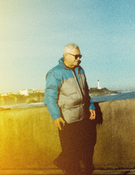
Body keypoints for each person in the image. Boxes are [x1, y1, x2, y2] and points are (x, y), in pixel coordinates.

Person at [44, 43, 96, 175]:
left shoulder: (80, 70)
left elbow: (85, 91)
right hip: (66, 119)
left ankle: (65, 163)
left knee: (83, 147)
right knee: (71, 152)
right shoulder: (55, 73)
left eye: (80, 56)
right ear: (66, 55)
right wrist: (56, 116)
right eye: (76, 56)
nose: (79, 59)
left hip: (82, 116)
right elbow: (50, 98)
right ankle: (69, 168)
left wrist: (90, 106)